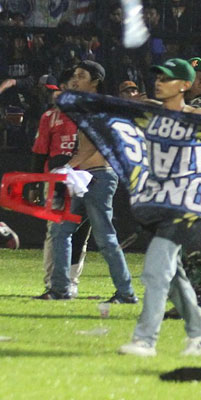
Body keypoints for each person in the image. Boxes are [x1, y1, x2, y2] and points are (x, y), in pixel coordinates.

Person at [119, 58, 201, 356]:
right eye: (158, 77)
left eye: (166, 78)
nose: (158, 82)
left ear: (185, 85)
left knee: (155, 271)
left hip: (184, 206)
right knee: (173, 274)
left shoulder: (198, 118)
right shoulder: (151, 115)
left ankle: (145, 340)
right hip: (157, 204)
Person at [39, 61, 138, 303]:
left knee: (104, 238)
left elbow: (92, 145)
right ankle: (60, 289)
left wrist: (67, 167)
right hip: (83, 176)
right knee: (60, 232)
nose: (74, 80)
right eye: (74, 75)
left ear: (95, 81)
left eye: (81, 76)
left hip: (98, 177)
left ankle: (126, 293)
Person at [31, 72, 90, 295]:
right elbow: (39, 153)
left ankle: (72, 282)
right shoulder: (50, 117)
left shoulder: (90, 116)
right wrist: (35, 184)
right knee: (54, 231)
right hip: (56, 180)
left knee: (82, 233)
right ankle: (52, 281)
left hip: (86, 179)